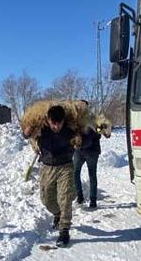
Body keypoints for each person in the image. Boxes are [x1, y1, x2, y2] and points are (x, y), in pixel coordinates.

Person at [23, 105, 77, 247]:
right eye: (53, 123)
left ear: (64, 121)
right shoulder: (41, 128)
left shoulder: (71, 129)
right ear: (48, 120)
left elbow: (87, 138)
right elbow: (27, 135)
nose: (56, 126)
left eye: (59, 123)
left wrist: (81, 141)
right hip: (47, 167)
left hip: (65, 166)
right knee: (46, 199)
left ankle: (64, 230)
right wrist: (26, 132)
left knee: (65, 197)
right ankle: (57, 213)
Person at [73, 117, 111, 209]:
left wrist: (103, 129)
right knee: (76, 172)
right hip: (80, 150)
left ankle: (92, 199)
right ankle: (80, 197)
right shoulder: (77, 119)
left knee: (91, 174)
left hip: (91, 151)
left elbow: (105, 133)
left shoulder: (95, 120)